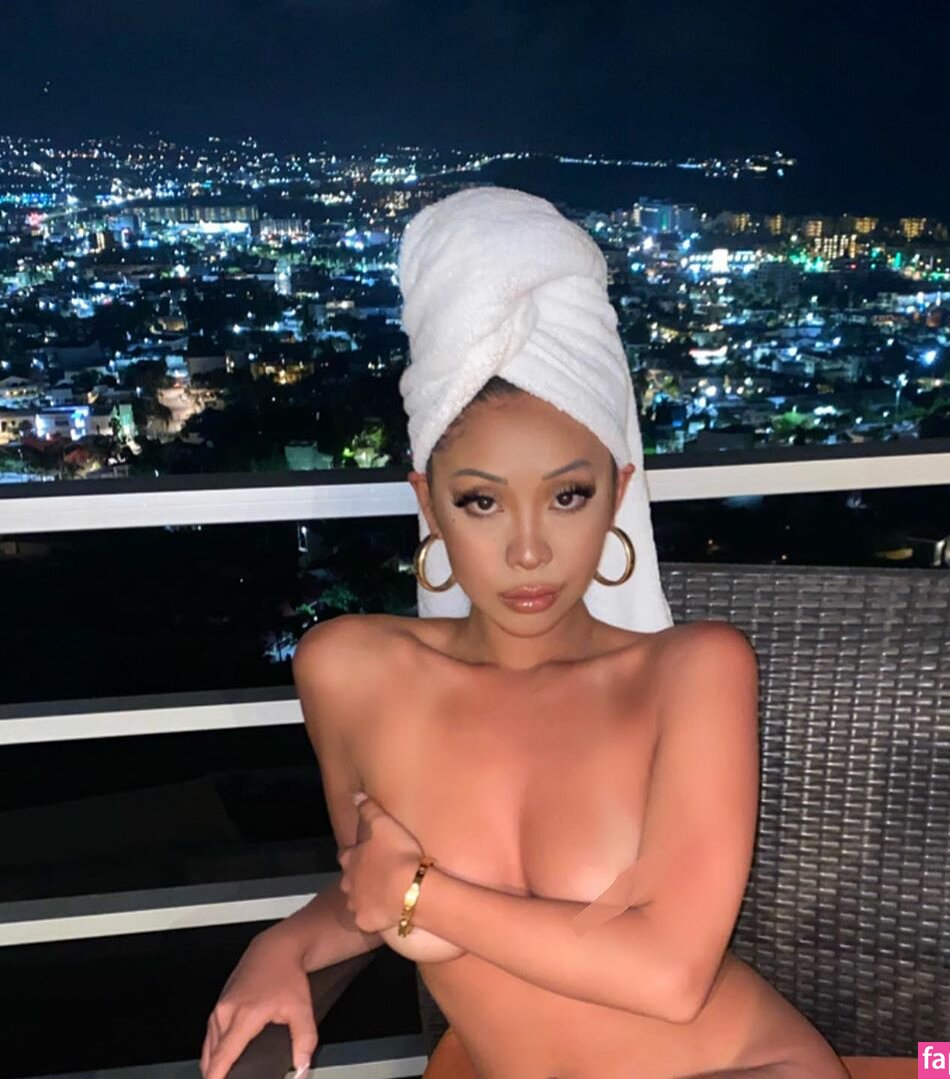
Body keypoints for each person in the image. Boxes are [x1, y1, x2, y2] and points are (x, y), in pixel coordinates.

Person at [200, 187, 851, 1079]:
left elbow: (670, 977)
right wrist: (283, 944)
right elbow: (371, 885)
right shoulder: (349, 671)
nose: (531, 549)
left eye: (569, 495)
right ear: (429, 503)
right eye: (481, 501)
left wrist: (422, 893)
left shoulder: (694, 670)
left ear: (619, 493)